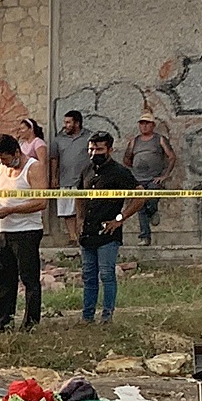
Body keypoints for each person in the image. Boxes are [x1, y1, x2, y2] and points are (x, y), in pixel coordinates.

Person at [75, 132, 144, 324]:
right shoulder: (86, 170)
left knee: (106, 274)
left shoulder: (120, 172)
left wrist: (120, 218)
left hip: (108, 233)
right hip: (88, 232)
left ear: (110, 150)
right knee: (88, 275)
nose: (94, 153)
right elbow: (79, 195)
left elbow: (140, 196)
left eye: (99, 149)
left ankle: (107, 315)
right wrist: (79, 218)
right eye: (91, 149)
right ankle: (87, 316)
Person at [0, 134, 47, 332]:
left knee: (29, 278)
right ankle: (3, 321)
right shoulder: (2, 168)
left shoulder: (33, 167)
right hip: (5, 230)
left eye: (6, 158)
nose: (3, 163)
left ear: (17, 152)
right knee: (4, 278)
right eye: (0, 159)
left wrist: (11, 210)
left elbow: (41, 201)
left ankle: (30, 322)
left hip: (27, 230)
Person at [123, 109, 179, 245]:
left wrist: (165, 175)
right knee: (140, 206)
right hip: (138, 179)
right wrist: (135, 169)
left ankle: (153, 211)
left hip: (154, 179)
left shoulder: (159, 139)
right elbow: (126, 159)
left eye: (147, 123)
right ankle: (145, 237)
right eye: (142, 123)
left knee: (151, 200)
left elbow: (171, 157)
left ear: (153, 125)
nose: (144, 126)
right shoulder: (134, 141)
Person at [50, 110, 92, 241]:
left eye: (68, 122)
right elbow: (54, 158)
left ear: (77, 123)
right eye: (65, 122)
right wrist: (54, 177)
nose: (65, 125)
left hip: (85, 181)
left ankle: (83, 235)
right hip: (65, 180)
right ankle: (73, 237)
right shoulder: (58, 140)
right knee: (67, 212)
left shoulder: (89, 137)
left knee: (84, 211)